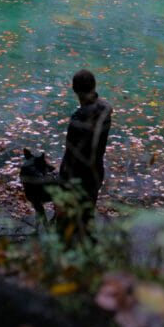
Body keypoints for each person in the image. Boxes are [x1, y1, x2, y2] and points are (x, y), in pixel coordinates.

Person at [58, 69, 112, 233]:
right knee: (87, 216)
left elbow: (71, 155)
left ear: (74, 89)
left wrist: (61, 180)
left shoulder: (77, 121)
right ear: (94, 86)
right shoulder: (105, 110)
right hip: (95, 171)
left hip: (77, 177)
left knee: (69, 223)